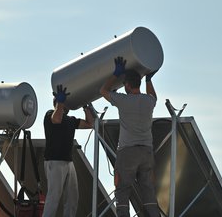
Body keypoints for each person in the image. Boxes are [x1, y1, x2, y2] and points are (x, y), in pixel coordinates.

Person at [100, 56, 160, 217]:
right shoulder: (148, 101)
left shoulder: (123, 100)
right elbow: (154, 97)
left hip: (128, 153)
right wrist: (149, 80)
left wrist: (115, 74)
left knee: (123, 190)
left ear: (127, 85)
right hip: (146, 152)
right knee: (148, 190)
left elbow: (103, 91)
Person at [42, 84, 94, 217]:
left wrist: (86, 107)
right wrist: (60, 102)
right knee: (53, 198)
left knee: (72, 198)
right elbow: (57, 119)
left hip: (67, 162)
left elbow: (90, 124)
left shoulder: (71, 120)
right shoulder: (49, 115)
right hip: (54, 161)